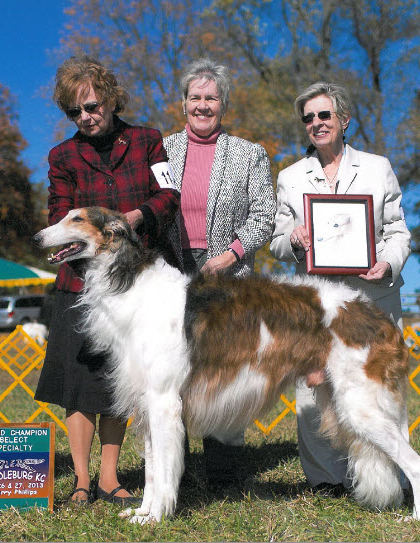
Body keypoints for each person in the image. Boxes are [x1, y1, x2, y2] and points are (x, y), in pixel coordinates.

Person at [34, 55, 180, 506]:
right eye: (75, 112)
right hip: (82, 287)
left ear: (113, 99)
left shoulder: (149, 140)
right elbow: (59, 213)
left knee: (124, 380)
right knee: (80, 384)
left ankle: (109, 477)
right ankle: (81, 479)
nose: (86, 117)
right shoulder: (62, 156)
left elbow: (170, 194)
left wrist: (136, 217)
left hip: (142, 285)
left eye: (93, 106)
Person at [270, 81, 411, 492]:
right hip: (317, 303)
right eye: (308, 118)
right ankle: (325, 480)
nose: (316, 123)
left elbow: (398, 231)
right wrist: (293, 240)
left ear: (344, 120)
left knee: (383, 388)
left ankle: (396, 478)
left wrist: (388, 262)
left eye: (324, 115)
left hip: (373, 296)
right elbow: (277, 241)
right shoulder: (291, 176)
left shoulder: (377, 167)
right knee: (313, 389)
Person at [163, 58, 275, 483]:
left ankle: (225, 472)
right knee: (174, 367)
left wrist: (231, 254)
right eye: (196, 98)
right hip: (172, 272)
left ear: (223, 105)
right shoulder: (163, 150)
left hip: (228, 274)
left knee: (225, 370)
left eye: (211, 98)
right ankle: (179, 470)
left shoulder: (250, 154)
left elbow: (264, 216)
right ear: (184, 103)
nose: (203, 106)